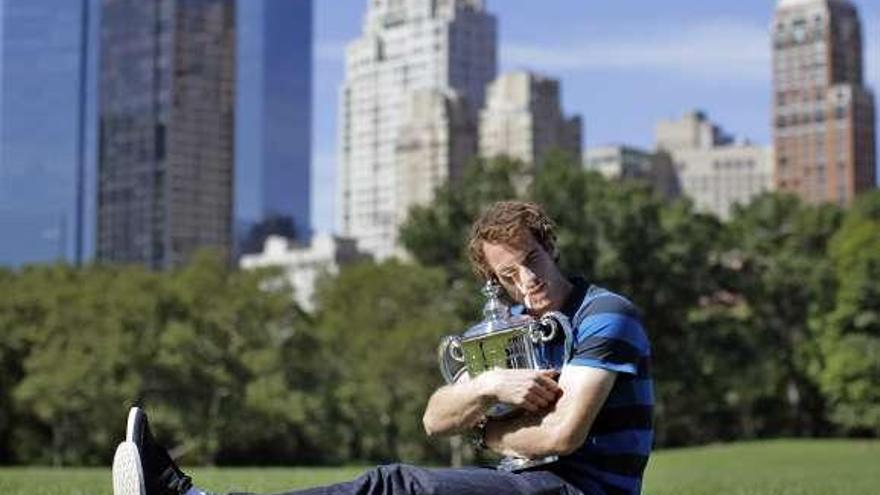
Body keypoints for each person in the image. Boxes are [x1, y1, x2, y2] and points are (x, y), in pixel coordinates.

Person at [112, 200, 654, 495]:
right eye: (508, 274)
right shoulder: (505, 328)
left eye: (531, 260)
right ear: (495, 280)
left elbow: (563, 433)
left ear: (548, 247)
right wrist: (488, 384)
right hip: (525, 481)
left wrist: (488, 432)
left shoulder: (604, 313)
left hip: (581, 489)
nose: (527, 280)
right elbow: (435, 417)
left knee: (393, 486)